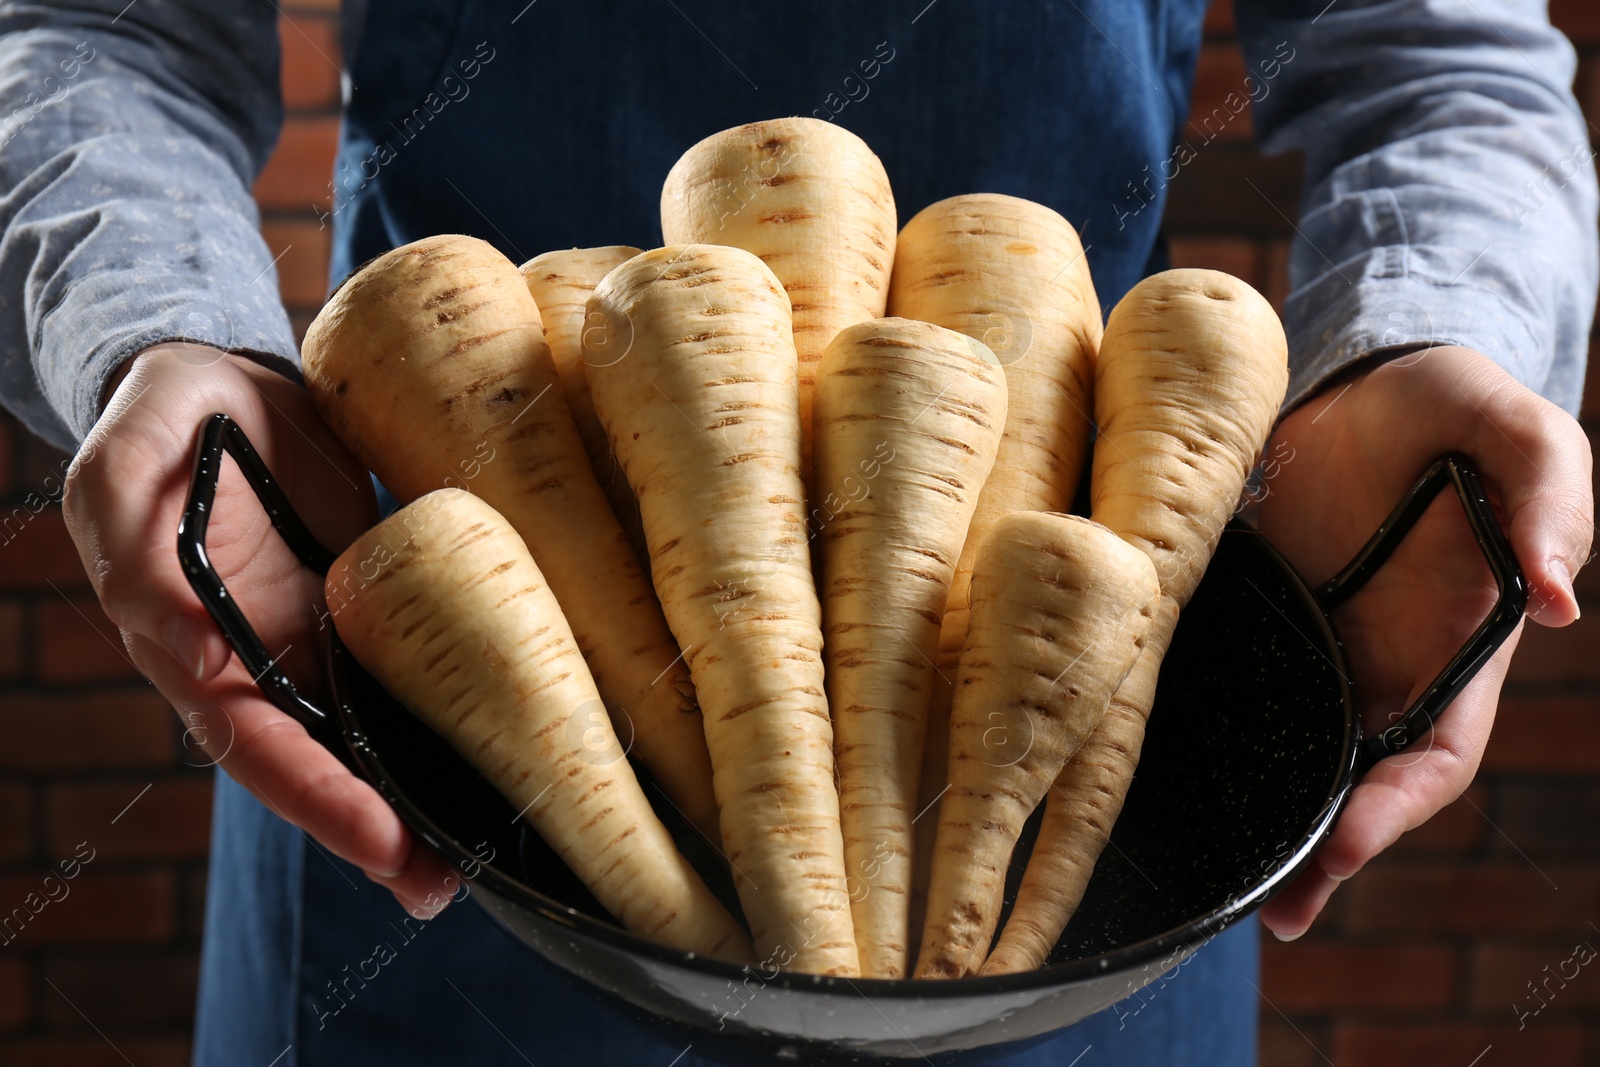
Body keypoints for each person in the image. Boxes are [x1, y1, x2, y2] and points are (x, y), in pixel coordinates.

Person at [1, 0, 1593, 1063]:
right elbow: (101, 25)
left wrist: (1429, 335)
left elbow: (1442, 64)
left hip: (1088, 747)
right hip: (435, 664)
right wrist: (162, 332)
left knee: (1002, 884)